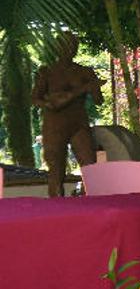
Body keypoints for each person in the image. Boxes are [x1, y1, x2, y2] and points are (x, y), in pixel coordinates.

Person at [32, 32, 103, 197]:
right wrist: (48, 103)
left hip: (78, 124)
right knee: (56, 172)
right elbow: (35, 98)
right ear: (57, 48)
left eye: (73, 46)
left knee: (90, 168)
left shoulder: (85, 72)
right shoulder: (47, 72)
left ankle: (90, 207)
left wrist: (93, 87)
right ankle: (57, 212)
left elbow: (99, 100)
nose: (69, 49)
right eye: (64, 46)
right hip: (54, 126)